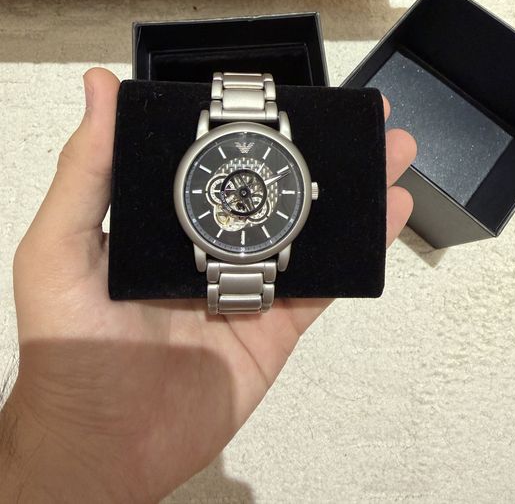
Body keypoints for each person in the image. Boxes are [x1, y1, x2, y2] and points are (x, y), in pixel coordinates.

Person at [0, 68, 416, 503]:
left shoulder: (249, 177)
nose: (244, 198)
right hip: (222, 241)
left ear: (307, 191)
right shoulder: (221, 197)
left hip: (252, 241)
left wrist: (64, 445)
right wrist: (74, 439)